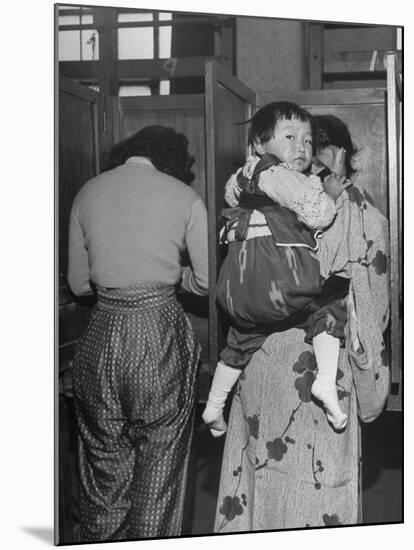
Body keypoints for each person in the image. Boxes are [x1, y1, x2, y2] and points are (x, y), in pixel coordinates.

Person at [213, 114, 390, 530]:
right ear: (345, 154)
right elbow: (369, 293)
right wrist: (370, 371)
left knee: (256, 476)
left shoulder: (264, 192)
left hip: (258, 354)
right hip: (322, 354)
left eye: (312, 144)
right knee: (321, 482)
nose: (307, 155)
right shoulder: (354, 206)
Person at [67, 125, 208, 541]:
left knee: (103, 461)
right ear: (173, 162)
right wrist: (168, 275)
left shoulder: (87, 192)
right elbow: (203, 281)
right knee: (160, 465)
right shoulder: (185, 197)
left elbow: (78, 284)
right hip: (158, 332)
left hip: (101, 337)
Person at [202, 102, 351, 436]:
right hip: (277, 282)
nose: (300, 147)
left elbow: (234, 194)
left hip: (239, 291)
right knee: (330, 302)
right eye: (289, 137)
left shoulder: (244, 176)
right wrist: (328, 192)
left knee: (241, 339)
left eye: (308, 140)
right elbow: (316, 214)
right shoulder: (276, 173)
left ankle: (213, 406)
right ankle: (326, 382)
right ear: (258, 144)